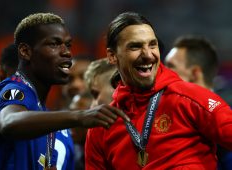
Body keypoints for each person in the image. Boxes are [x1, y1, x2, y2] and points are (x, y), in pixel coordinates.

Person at [85, 12, 232, 169]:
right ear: (112, 56)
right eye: (135, 46)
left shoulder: (191, 98)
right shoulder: (101, 128)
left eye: (152, 45)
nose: (148, 54)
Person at [0, 12, 129, 170]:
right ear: (25, 51)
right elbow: (9, 122)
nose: (66, 53)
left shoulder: (43, 117)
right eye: (54, 44)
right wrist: (80, 116)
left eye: (68, 45)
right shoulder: (13, 88)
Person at [164, 35, 232, 169]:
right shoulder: (163, 112)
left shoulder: (224, 119)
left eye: (171, 66)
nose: (163, 73)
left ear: (194, 73)